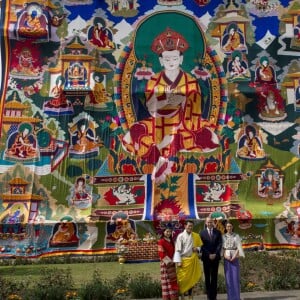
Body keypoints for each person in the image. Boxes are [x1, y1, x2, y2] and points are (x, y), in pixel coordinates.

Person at [122, 27, 219, 179]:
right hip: (157, 122)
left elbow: (196, 107)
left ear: (181, 59)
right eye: (167, 59)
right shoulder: (154, 80)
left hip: (183, 123)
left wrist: (184, 100)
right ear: (161, 61)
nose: (171, 62)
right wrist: (165, 100)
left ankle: (162, 153)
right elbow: (150, 108)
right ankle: (160, 156)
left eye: (174, 58)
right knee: (131, 135)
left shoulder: (190, 80)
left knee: (212, 138)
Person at [173, 220, 202, 300]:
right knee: (182, 280)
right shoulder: (180, 236)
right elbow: (177, 250)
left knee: (191, 280)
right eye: (189, 226)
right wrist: (178, 261)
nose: (190, 227)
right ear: (185, 226)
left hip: (192, 261)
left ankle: (190, 297)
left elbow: (200, 247)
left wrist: (198, 248)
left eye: (192, 226)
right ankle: (182, 297)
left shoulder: (196, 235)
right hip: (183, 261)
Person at [200, 217, 222, 300]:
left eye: (211, 222)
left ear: (213, 222)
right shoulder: (202, 233)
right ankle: (209, 296)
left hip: (215, 258)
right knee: (207, 277)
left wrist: (215, 254)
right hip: (206, 258)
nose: (209, 223)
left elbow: (219, 244)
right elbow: (202, 245)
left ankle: (214, 296)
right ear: (206, 223)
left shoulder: (218, 232)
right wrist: (209, 254)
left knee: (214, 277)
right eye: (208, 222)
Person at [222, 221, 245, 300]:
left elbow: (239, 247)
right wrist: (225, 256)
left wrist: (234, 256)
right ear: (225, 228)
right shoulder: (223, 236)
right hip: (227, 257)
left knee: (235, 277)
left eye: (230, 226)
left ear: (232, 227)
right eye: (227, 226)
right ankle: (230, 297)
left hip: (235, 256)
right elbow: (223, 248)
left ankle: (236, 297)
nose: (229, 228)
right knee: (228, 278)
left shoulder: (236, 236)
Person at [157, 226, 179, 300]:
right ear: (163, 232)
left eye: (170, 232)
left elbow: (175, 251)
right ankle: (167, 297)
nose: (168, 233)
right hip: (165, 264)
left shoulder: (172, 241)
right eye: (167, 231)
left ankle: (173, 297)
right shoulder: (161, 241)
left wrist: (174, 259)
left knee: (172, 281)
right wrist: (169, 261)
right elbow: (161, 253)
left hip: (172, 263)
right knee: (167, 281)